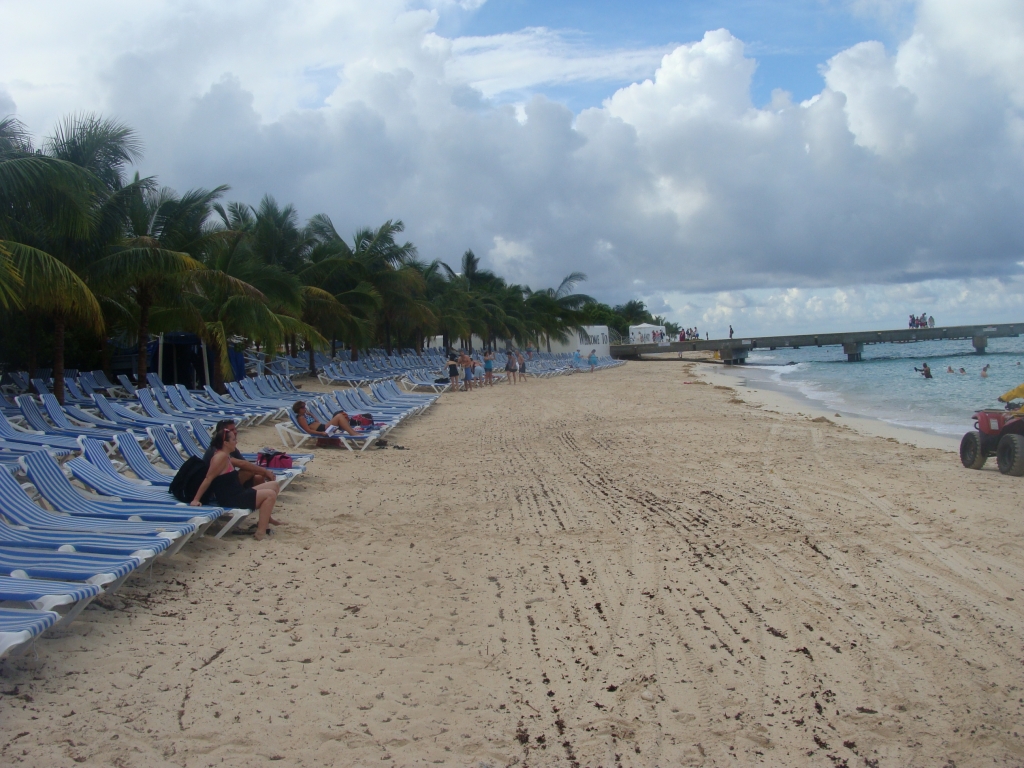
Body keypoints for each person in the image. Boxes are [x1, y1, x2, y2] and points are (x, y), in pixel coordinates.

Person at [191, 428, 282, 541]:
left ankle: (265, 521)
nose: (236, 442)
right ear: (225, 443)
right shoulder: (220, 457)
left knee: (274, 485)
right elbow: (208, 478)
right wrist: (196, 499)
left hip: (237, 492)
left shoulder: (226, 456)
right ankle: (260, 532)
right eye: (233, 440)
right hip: (231, 498)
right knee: (270, 494)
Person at [206, 420, 279, 492]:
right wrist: (265, 472)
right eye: (231, 430)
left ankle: (256, 501)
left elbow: (244, 463)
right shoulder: (216, 450)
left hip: (227, 481)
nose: (235, 432)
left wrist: (263, 473)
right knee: (249, 471)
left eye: (235, 429)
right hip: (215, 487)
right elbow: (241, 464)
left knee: (258, 477)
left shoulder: (229, 446)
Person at [292, 400, 360, 437]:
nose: (305, 408)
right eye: (303, 407)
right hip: (323, 430)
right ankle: (352, 433)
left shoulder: (305, 416)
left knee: (340, 416)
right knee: (339, 416)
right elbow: (308, 430)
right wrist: (321, 433)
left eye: (305, 407)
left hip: (324, 427)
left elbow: (317, 421)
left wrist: (311, 414)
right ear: (298, 409)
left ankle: (353, 432)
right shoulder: (301, 418)